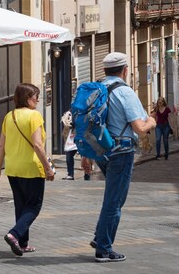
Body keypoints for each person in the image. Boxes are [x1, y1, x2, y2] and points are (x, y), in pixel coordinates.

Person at [90, 52, 155, 263]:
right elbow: (140, 127)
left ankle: (100, 236)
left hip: (101, 150)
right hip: (121, 151)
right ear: (125, 70)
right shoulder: (124, 92)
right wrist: (152, 122)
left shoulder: (96, 88)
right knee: (114, 201)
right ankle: (104, 249)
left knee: (114, 197)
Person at [0, 83, 54, 257]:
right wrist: (48, 168)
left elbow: (1, 146)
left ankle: (22, 243)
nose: (38, 100)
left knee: (21, 206)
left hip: (12, 168)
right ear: (27, 98)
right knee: (33, 206)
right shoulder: (34, 116)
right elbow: (37, 145)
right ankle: (14, 234)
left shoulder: (9, 116)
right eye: (36, 96)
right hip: (31, 167)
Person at [60, 112, 92, 181]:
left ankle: (87, 174)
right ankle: (70, 174)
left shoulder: (86, 112)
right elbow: (66, 126)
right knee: (69, 154)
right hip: (71, 137)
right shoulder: (70, 113)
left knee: (84, 156)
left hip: (81, 136)